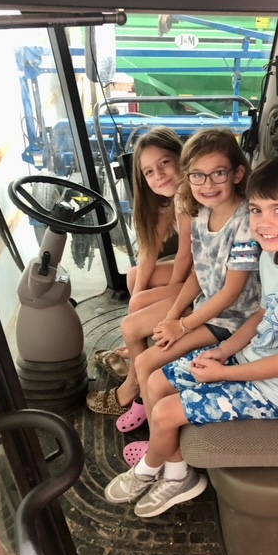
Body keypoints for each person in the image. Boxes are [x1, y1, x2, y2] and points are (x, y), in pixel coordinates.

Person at [103, 154, 278, 517]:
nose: (264, 223)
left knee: (167, 411)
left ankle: (149, 470)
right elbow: (263, 313)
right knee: (155, 382)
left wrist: (223, 373)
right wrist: (226, 351)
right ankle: (177, 474)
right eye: (256, 210)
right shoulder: (275, 254)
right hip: (249, 358)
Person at [88, 128, 261, 466]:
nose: (207, 184)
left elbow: (231, 291)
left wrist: (181, 325)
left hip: (232, 321)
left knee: (148, 362)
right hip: (207, 311)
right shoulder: (202, 214)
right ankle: (163, 447)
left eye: (218, 174)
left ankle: (164, 455)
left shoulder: (244, 223)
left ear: (237, 174)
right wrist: (174, 315)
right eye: (199, 176)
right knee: (146, 359)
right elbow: (200, 272)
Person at [93, 127, 192, 373]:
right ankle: (139, 342)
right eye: (149, 172)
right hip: (195, 272)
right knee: (135, 275)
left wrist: (169, 295)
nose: (159, 175)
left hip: (202, 278)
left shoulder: (189, 196)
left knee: (139, 303)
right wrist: (135, 301)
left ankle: (141, 367)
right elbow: (148, 252)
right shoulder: (172, 200)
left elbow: (185, 255)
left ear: (181, 158)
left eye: (165, 163)